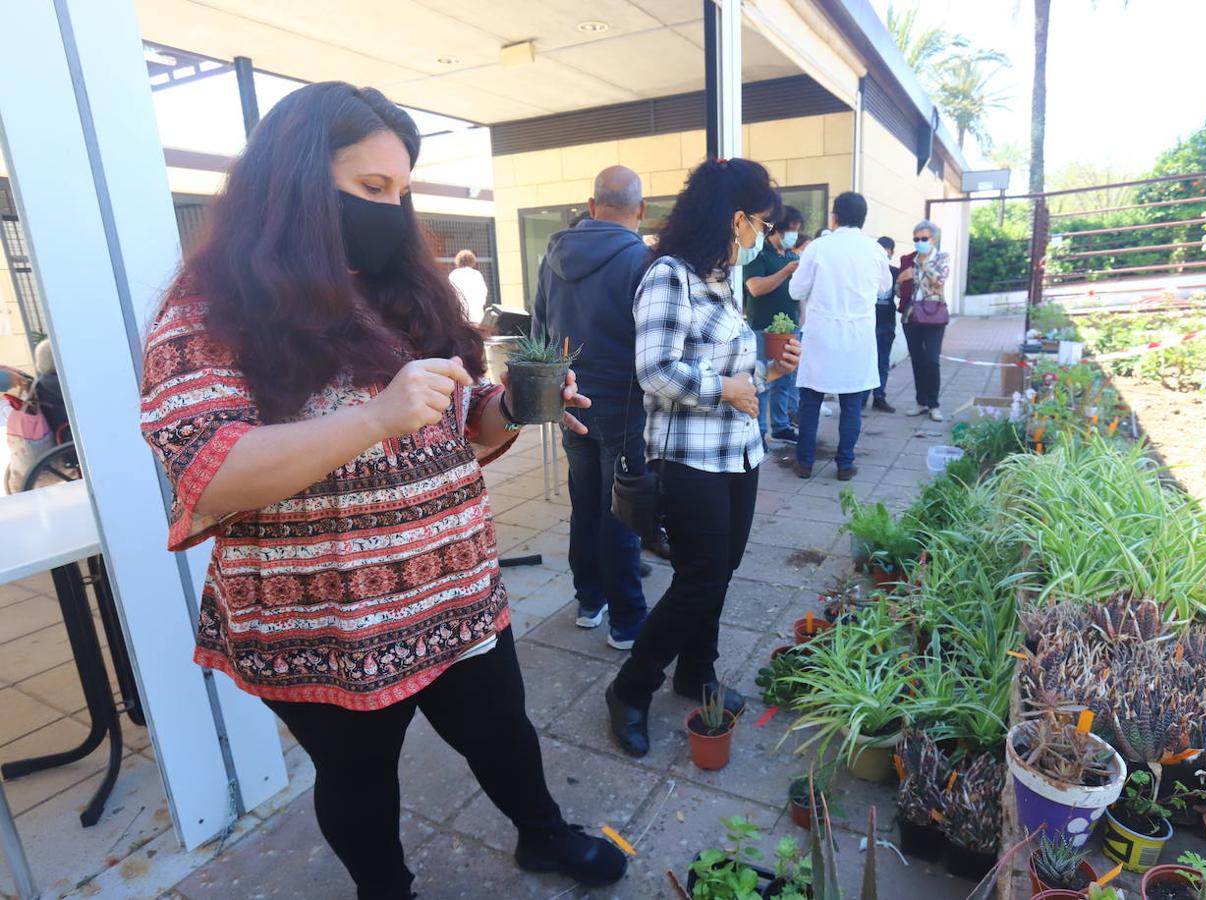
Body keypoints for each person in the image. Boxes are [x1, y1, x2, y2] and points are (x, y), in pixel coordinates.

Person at [138, 83, 626, 899]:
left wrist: (512, 405)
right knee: (360, 776)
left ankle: (544, 834)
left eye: (401, 192)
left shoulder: (403, 289)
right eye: (371, 189)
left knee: (504, 730)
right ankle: (384, 889)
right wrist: (373, 417)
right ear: (293, 182)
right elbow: (206, 468)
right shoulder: (212, 307)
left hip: (453, 584)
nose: (393, 211)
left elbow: (460, 428)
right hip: (327, 615)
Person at [605, 158, 800, 757]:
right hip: (688, 458)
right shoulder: (669, 276)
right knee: (699, 578)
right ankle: (631, 688)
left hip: (738, 452)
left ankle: (697, 672)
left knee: (721, 571)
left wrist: (770, 369)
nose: (764, 236)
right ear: (736, 218)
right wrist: (725, 389)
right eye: (761, 224)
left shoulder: (721, 277)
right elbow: (654, 370)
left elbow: (734, 372)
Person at [531, 166, 651, 650]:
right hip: (626, 406)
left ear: (592, 203)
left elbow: (539, 333)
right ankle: (627, 620)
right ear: (639, 210)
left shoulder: (552, 257)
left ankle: (589, 600)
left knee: (585, 503)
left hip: (572, 402)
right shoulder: (643, 261)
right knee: (621, 509)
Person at [788, 192, 891, 481]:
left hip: (821, 335)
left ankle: (805, 463)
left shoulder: (819, 247)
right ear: (863, 219)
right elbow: (885, 287)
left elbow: (796, 290)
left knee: (810, 401)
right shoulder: (874, 250)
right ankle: (845, 464)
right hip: (857, 337)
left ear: (834, 216)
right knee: (851, 404)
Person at [743, 205, 805, 443]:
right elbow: (755, 288)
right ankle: (759, 430)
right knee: (762, 379)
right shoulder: (759, 254)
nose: (794, 236)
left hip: (789, 328)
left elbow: (799, 292)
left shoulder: (791, 256)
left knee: (785, 378)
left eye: (797, 231)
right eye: (790, 230)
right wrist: (785, 272)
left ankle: (780, 426)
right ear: (776, 230)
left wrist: (801, 316)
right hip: (762, 327)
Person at [898, 218, 952, 422]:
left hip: (934, 314)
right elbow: (898, 288)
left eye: (923, 238)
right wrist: (901, 280)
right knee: (918, 361)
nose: (919, 242)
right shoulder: (908, 259)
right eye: (916, 238)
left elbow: (939, 280)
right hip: (911, 315)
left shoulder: (941, 258)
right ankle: (921, 402)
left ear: (933, 238)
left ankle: (934, 404)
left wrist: (923, 266)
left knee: (931, 360)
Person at [872, 236, 901, 413]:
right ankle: (861, 398)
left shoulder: (896, 272)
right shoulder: (868, 270)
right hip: (869, 323)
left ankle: (879, 396)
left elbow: (901, 293)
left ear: (892, 252)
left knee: (883, 361)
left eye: (887, 250)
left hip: (887, 322)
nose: (884, 253)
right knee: (867, 361)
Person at [449, 248, 489, 326]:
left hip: (460, 314)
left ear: (458, 260)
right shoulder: (477, 274)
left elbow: (450, 293)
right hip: (477, 314)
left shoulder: (453, 274)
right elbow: (483, 292)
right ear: (472, 261)